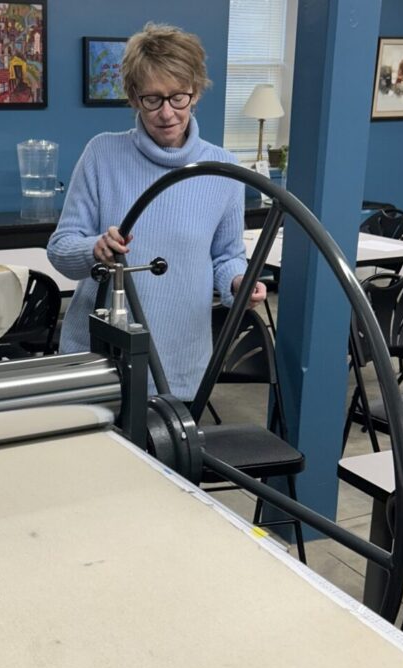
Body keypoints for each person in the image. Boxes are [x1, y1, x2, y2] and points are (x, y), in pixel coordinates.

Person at [47, 22, 264, 400]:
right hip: (98, 358)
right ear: (133, 97)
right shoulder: (102, 154)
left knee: (165, 460)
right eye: (152, 99)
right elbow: (61, 249)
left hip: (178, 361)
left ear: (195, 92)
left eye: (178, 97)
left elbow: (228, 256)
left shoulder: (223, 169)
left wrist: (237, 282)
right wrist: (94, 249)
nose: (167, 113)